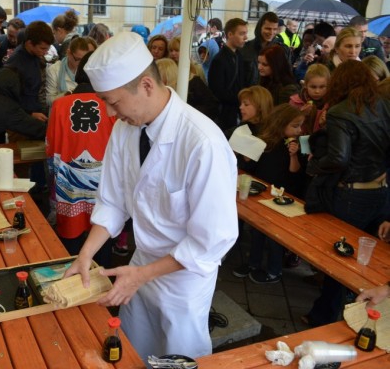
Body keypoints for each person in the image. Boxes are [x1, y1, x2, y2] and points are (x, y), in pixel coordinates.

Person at [66, 32, 238, 361]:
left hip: (184, 277)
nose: (110, 113)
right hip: (141, 263)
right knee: (134, 350)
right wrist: (85, 255)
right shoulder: (125, 128)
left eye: (113, 102)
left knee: (179, 357)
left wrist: (142, 275)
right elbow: (113, 200)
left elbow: (211, 241)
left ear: (146, 85)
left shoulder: (202, 143)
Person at [303, 60, 390, 326]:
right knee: (368, 259)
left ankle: (325, 319)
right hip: (380, 191)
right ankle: (364, 314)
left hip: (351, 195)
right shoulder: (382, 106)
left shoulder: (342, 111)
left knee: (340, 259)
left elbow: (338, 158)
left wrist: (314, 165)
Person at [46, 50, 116, 262]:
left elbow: (51, 149)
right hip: (105, 186)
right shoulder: (112, 104)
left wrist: (54, 178)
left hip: (69, 185)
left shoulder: (59, 105)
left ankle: (71, 284)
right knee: (102, 237)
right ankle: (101, 282)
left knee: (70, 240)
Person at [233, 104, 307, 284]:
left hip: (284, 197)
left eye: (300, 126)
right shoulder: (265, 142)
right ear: (280, 124)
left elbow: (295, 172)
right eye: (295, 126)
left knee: (275, 237)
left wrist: (294, 155)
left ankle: (274, 271)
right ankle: (253, 263)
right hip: (262, 192)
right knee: (257, 230)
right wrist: (247, 157)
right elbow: (253, 166)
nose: (299, 130)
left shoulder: (297, 147)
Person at [5, 20, 55, 120]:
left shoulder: (34, 54)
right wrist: (30, 113)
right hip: (21, 120)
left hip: (34, 113)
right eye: (42, 48)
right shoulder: (15, 64)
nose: (45, 52)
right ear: (29, 43)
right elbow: (8, 98)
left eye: (47, 49)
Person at [209, 18, 248, 130]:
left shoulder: (239, 56)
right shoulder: (219, 60)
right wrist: (240, 99)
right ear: (230, 34)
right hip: (225, 115)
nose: (245, 37)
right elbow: (217, 91)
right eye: (242, 34)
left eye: (246, 33)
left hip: (237, 111)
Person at [44, 36, 96, 108]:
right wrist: (69, 93)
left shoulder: (95, 69)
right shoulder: (54, 70)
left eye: (87, 59)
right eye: (78, 59)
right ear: (69, 53)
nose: (83, 64)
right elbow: (49, 101)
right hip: (63, 111)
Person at [241, 11, 289, 87]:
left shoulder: (282, 50)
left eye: (275, 29)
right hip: (250, 93)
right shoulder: (245, 49)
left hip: (272, 94)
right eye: (268, 28)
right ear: (260, 27)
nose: (271, 32)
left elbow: (286, 76)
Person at [289, 63, 331, 134]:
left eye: (322, 87)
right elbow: (288, 127)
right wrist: (301, 115)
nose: (317, 91)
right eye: (313, 87)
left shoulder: (331, 104)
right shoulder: (295, 102)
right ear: (305, 85)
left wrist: (322, 124)